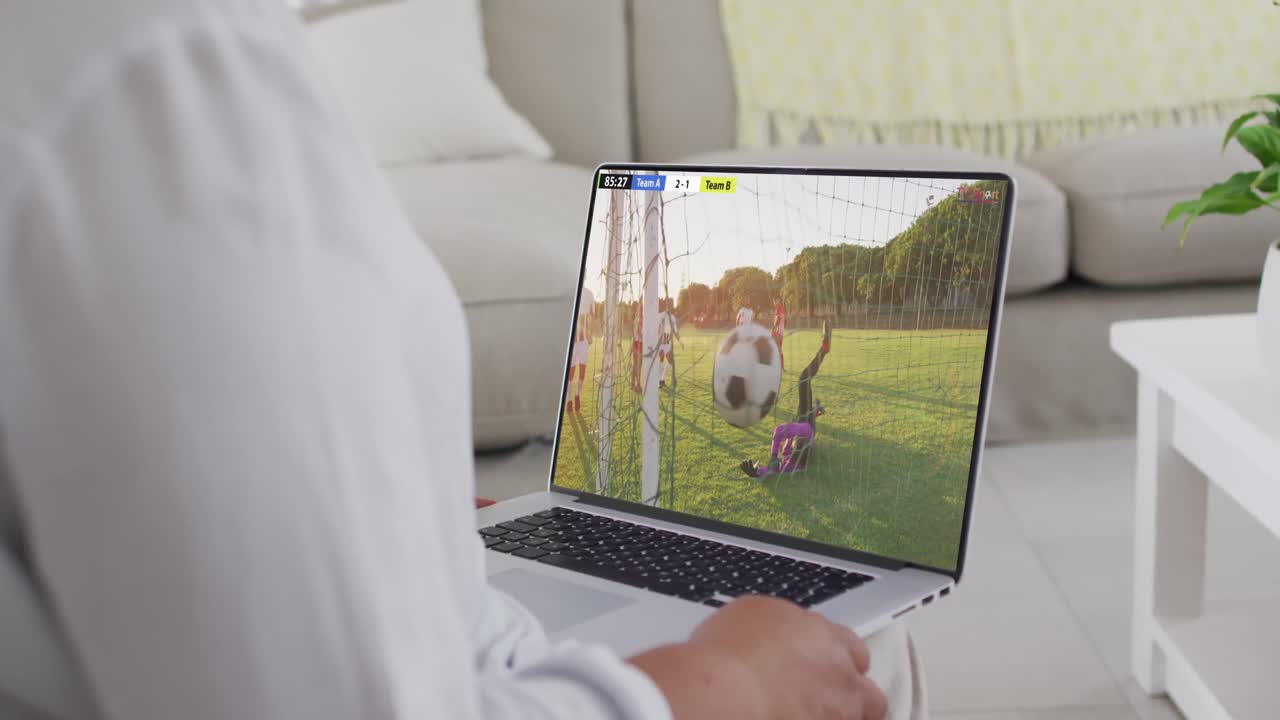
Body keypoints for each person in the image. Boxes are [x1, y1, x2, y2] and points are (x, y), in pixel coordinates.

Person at [0, 3, 908, 719]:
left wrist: (419, 521)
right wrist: (722, 692)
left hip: (467, 628)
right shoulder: (167, 69)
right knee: (872, 657)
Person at [742, 322, 832, 479]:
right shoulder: (803, 434)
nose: (790, 444)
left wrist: (756, 472)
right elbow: (779, 431)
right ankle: (824, 349)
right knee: (804, 379)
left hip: (807, 427)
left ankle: (815, 409)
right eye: (793, 443)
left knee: (803, 410)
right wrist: (773, 456)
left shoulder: (791, 464)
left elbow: (772, 471)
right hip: (806, 426)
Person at [566, 287, 594, 413]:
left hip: (583, 342)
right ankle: (569, 400)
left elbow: (591, 317)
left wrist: (590, 334)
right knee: (570, 374)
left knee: (582, 373)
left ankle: (577, 396)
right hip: (573, 342)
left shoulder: (589, 294)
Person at [656, 308, 683, 387]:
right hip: (660, 340)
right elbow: (655, 326)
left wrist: (680, 341)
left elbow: (675, 331)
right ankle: (658, 381)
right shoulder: (660, 315)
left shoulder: (672, 317)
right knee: (661, 358)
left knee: (670, 360)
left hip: (667, 342)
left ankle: (662, 379)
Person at [772, 295, 787, 369]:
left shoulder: (778, 307)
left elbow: (777, 318)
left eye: (775, 301)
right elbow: (786, 321)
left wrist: (774, 328)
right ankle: (781, 367)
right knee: (779, 349)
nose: (775, 303)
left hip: (776, 332)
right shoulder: (783, 308)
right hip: (781, 333)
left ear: (775, 301)